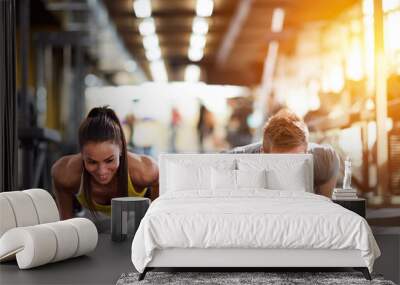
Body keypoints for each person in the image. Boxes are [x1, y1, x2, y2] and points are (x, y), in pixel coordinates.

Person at [51, 106, 159, 226]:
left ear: (121, 149)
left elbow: (157, 223)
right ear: (82, 154)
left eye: (109, 161)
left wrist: (152, 217)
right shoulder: (65, 173)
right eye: (92, 162)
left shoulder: (145, 171)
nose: (102, 171)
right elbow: (66, 227)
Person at [228, 108, 340, 197]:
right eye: (280, 161)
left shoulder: (326, 160)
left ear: (307, 152)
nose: (289, 169)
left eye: (296, 160)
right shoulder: (239, 159)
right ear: (263, 154)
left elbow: (324, 209)